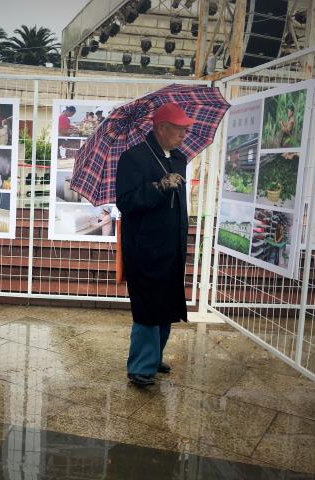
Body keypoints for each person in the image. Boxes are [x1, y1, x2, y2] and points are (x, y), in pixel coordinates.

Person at [116, 102, 194, 386]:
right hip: (146, 247)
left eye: (186, 129)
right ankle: (141, 366)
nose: (184, 134)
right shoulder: (133, 158)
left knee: (167, 302)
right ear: (161, 128)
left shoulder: (179, 158)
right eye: (179, 129)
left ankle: (154, 355)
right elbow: (125, 201)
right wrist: (158, 187)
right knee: (148, 305)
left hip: (172, 245)